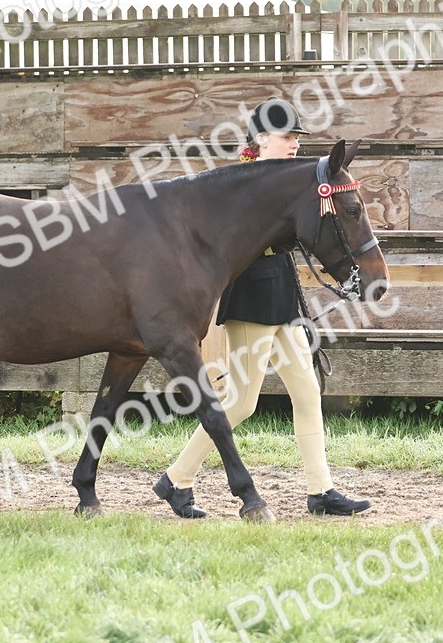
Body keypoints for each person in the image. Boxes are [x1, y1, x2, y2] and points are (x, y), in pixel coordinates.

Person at [152, 97, 372, 518]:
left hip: (283, 295)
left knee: (307, 392)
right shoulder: (239, 184)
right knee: (241, 402)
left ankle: (321, 491)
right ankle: (176, 479)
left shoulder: (290, 183)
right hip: (252, 298)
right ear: (262, 139)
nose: (294, 144)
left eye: (296, 138)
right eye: (287, 137)